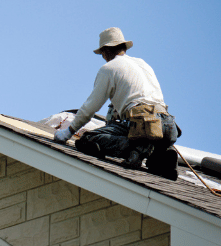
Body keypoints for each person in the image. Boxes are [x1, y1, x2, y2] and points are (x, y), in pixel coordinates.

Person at [53, 27, 180, 180]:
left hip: (141, 124)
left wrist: (68, 132)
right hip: (167, 126)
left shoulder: (109, 69)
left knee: (88, 140)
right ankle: (160, 154)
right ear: (123, 47)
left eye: (102, 54)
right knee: (153, 158)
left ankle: (136, 149)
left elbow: (90, 107)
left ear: (106, 51)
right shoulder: (143, 64)